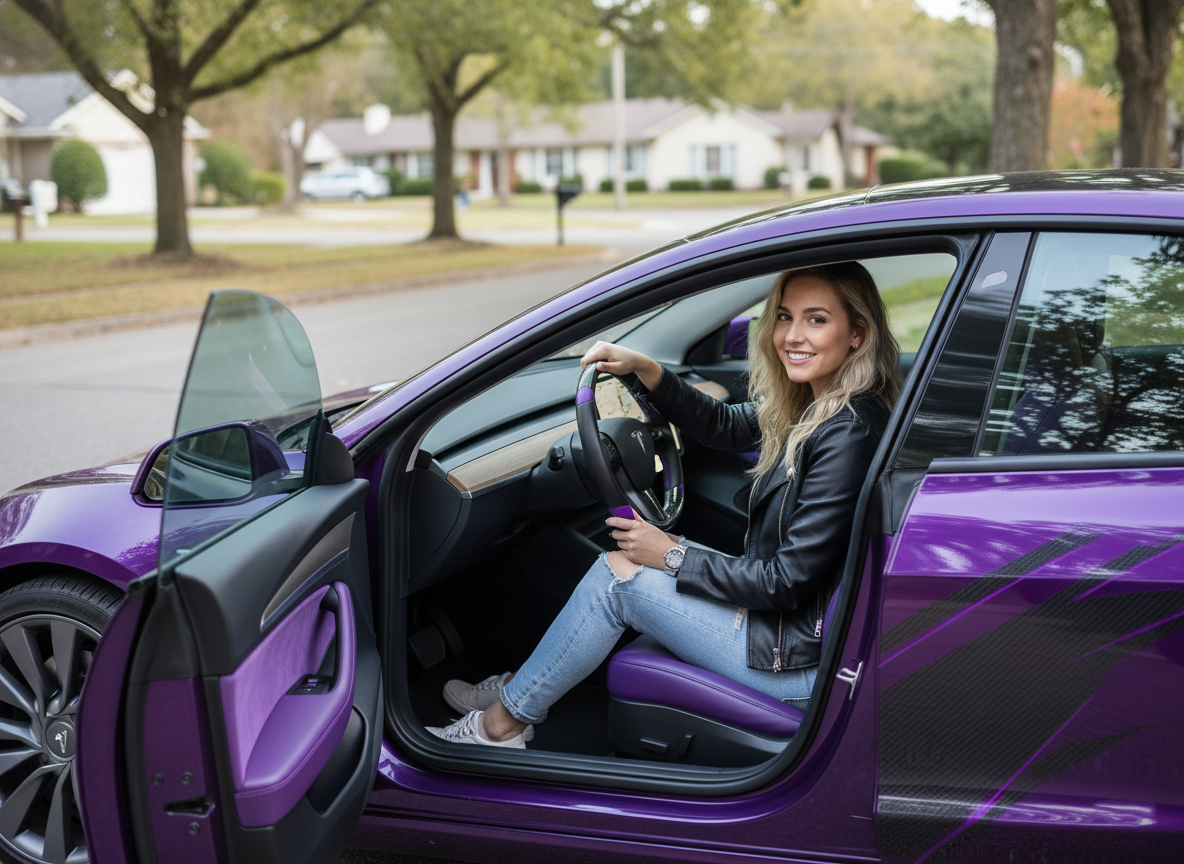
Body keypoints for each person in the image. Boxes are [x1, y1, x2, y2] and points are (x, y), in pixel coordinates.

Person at [428, 261, 901, 748]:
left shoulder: (846, 433)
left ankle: (500, 726)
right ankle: (517, 692)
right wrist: (649, 371)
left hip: (793, 662)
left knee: (616, 579)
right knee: (624, 561)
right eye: (783, 316)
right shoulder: (817, 407)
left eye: (816, 319)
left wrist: (672, 553)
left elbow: (786, 582)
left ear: (857, 334)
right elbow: (725, 425)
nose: (792, 335)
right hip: (786, 632)